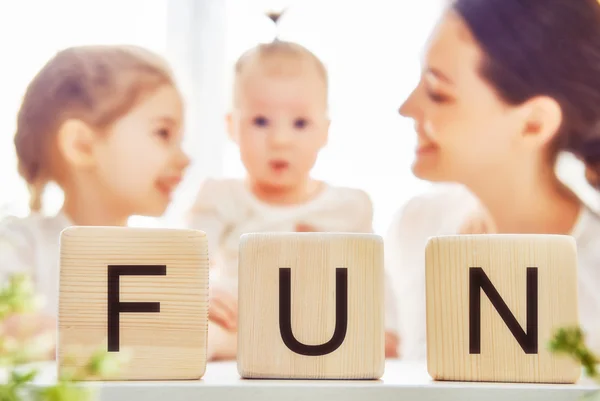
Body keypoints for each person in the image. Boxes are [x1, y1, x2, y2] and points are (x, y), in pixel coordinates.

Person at [389, 0, 600, 360]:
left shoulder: (592, 278)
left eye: (438, 92)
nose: (406, 107)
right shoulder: (414, 225)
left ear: (533, 123)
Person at [187, 13, 400, 360]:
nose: (280, 139)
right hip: (236, 330)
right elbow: (186, 269)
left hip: (322, 334)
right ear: (231, 127)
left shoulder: (349, 208)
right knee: (203, 334)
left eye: (300, 123)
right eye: (260, 121)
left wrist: (386, 330)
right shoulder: (219, 198)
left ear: (325, 131)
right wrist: (200, 294)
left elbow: (377, 288)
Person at [0, 45, 190, 354]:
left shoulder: (163, 259)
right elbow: (10, 328)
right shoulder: (20, 246)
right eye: (163, 133)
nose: (184, 158)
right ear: (82, 145)